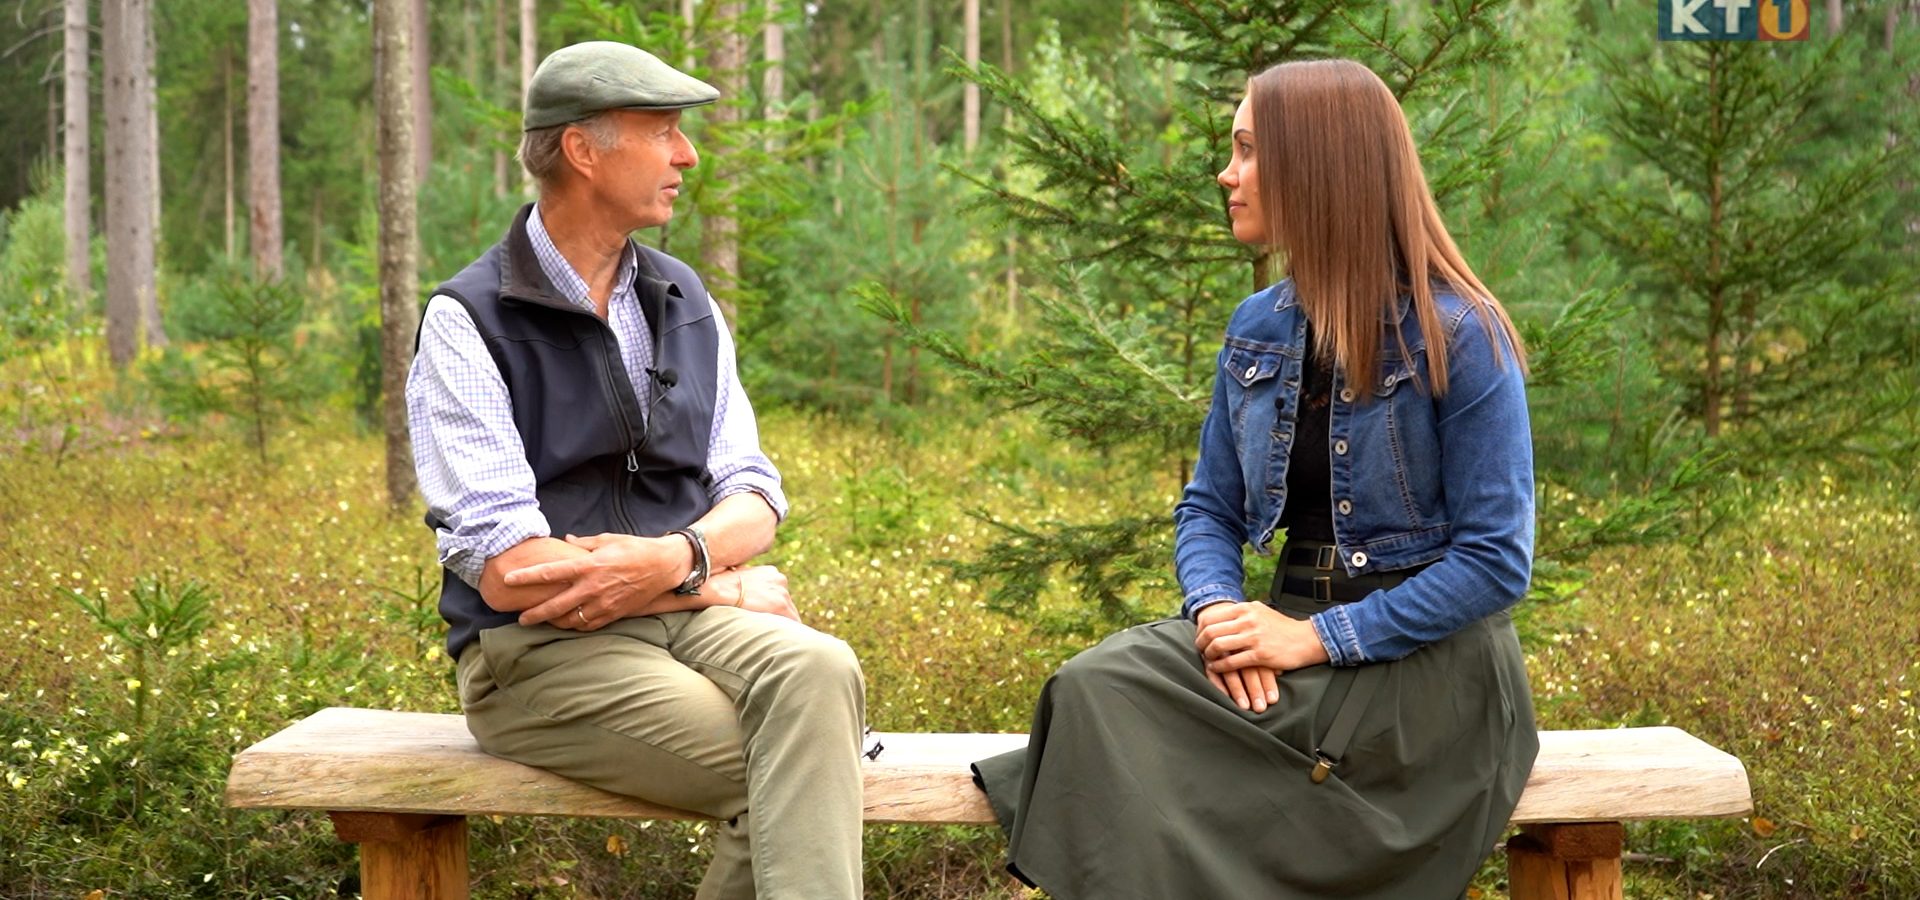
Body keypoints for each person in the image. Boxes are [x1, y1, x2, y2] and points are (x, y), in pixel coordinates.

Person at [970, 58, 1540, 899]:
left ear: (1316, 166)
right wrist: (1219, 615)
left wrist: (1311, 641)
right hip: (1282, 634)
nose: (1225, 174)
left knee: (1132, 735)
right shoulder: (1259, 325)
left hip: (1426, 677)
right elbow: (1209, 507)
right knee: (1094, 688)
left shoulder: (1460, 335)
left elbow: (1495, 564)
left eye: (1244, 150)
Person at [405, 41, 865, 900]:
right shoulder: (469, 321)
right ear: (584, 150)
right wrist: (712, 583)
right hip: (536, 654)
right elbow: (513, 575)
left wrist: (677, 562)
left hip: (680, 617)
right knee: (795, 775)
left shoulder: (683, 297)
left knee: (823, 669)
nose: (688, 156)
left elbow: (754, 494)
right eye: (662, 132)